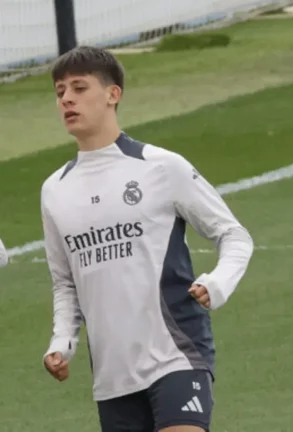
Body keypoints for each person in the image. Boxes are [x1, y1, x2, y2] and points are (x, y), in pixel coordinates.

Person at [40, 46, 254, 432]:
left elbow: (234, 235)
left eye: (79, 88)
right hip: (111, 376)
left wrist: (217, 283)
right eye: (60, 92)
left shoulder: (159, 166)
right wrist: (61, 342)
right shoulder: (54, 190)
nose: (67, 99)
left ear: (112, 94)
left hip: (176, 355)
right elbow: (64, 282)